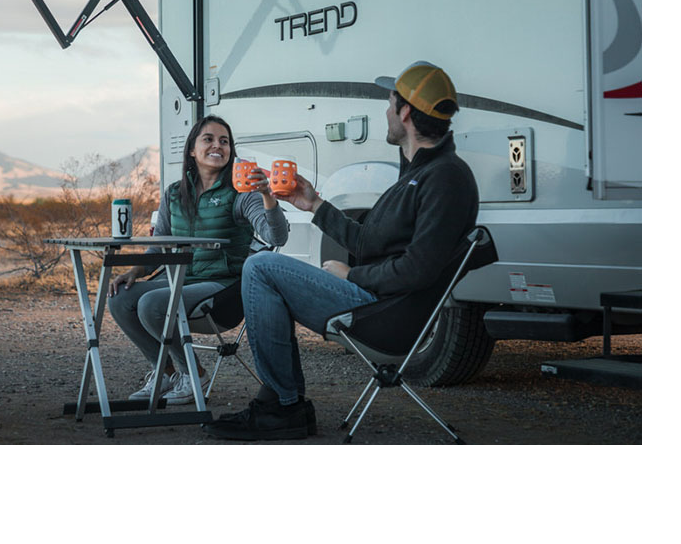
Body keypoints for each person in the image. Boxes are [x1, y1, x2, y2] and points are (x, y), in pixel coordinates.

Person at [203, 61, 479, 440]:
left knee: (261, 267)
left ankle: (282, 406)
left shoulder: (445, 179)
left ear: (406, 113)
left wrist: (353, 275)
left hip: (384, 313)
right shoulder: (418, 175)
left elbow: (420, 269)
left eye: (389, 102)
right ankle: (281, 402)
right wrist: (314, 204)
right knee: (264, 268)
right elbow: (368, 241)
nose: (384, 112)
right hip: (376, 299)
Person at [108, 115, 289, 405]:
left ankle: (193, 373)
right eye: (209, 139)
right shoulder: (174, 194)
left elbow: (277, 236)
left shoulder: (242, 193)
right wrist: (135, 271)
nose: (218, 145)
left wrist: (267, 195)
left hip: (223, 291)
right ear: (192, 149)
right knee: (119, 298)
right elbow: (159, 250)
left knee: (152, 304)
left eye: (224, 141)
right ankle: (164, 372)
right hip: (179, 283)